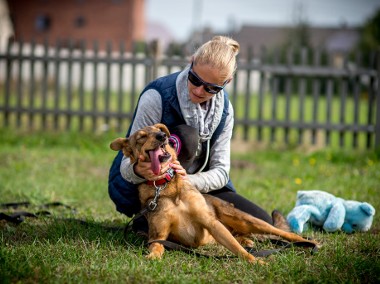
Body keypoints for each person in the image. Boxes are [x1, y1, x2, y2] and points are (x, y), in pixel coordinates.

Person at [108, 36, 289, 234]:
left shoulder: (225, 111)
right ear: (191, 61)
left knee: (262, 223)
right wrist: (139, 170)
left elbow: (221, 172)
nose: (199, 90)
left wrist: (187, 181)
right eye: (195, 79)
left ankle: (197, 221)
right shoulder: (157, 96)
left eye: (212, 88)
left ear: (227, 82)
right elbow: (125, 167)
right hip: (152, 190)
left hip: (195, 186)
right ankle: (150, 220)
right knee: (187, 136)